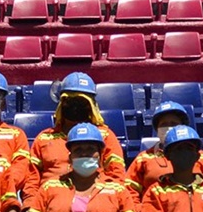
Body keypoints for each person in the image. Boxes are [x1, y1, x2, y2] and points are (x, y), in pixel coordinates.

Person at [24, 72, 128, 204]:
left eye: (81, 102)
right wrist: (30, 205)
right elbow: (32, 179)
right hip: (49, 204)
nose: (75, 107)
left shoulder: (105, 136)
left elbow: (117, 175)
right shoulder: (44, 138)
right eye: (70, 101)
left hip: (95, 204)